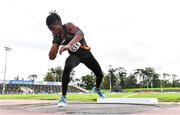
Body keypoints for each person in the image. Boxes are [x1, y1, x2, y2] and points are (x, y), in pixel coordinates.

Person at [46, 11, 105, 107]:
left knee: (100, 74)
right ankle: (63, 97)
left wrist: (69, 45)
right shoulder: (57, 37)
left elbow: (80, 34)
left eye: (53, 27)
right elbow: (52, 57)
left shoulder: (68, 26)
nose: (52, 30)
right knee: (67, 65)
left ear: (59, 23)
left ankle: (97, 89)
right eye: (50, 28)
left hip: (86, 54)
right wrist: (55, 43)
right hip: (75, 57)